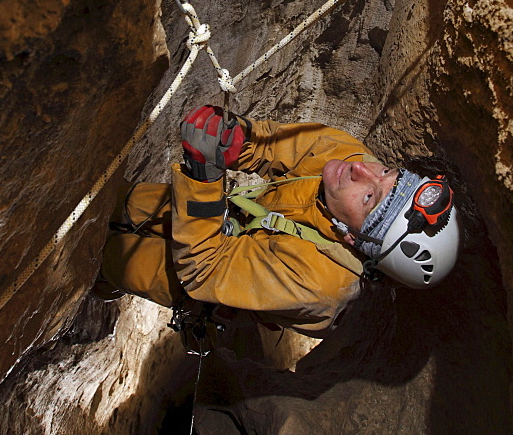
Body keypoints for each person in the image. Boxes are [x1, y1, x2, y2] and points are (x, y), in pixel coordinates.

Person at [98, 106, 461, 337]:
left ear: (352, 239)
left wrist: (203, 178)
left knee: (116, 260)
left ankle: (93, 285)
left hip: (214, 275)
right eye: (386, 171)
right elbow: (274, 147)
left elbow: (204, 269)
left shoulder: (320, 284)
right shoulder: (348, 159)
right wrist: (236, 139)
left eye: (369, 197)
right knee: (121, 202)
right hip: (240, 218)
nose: (360, 169)